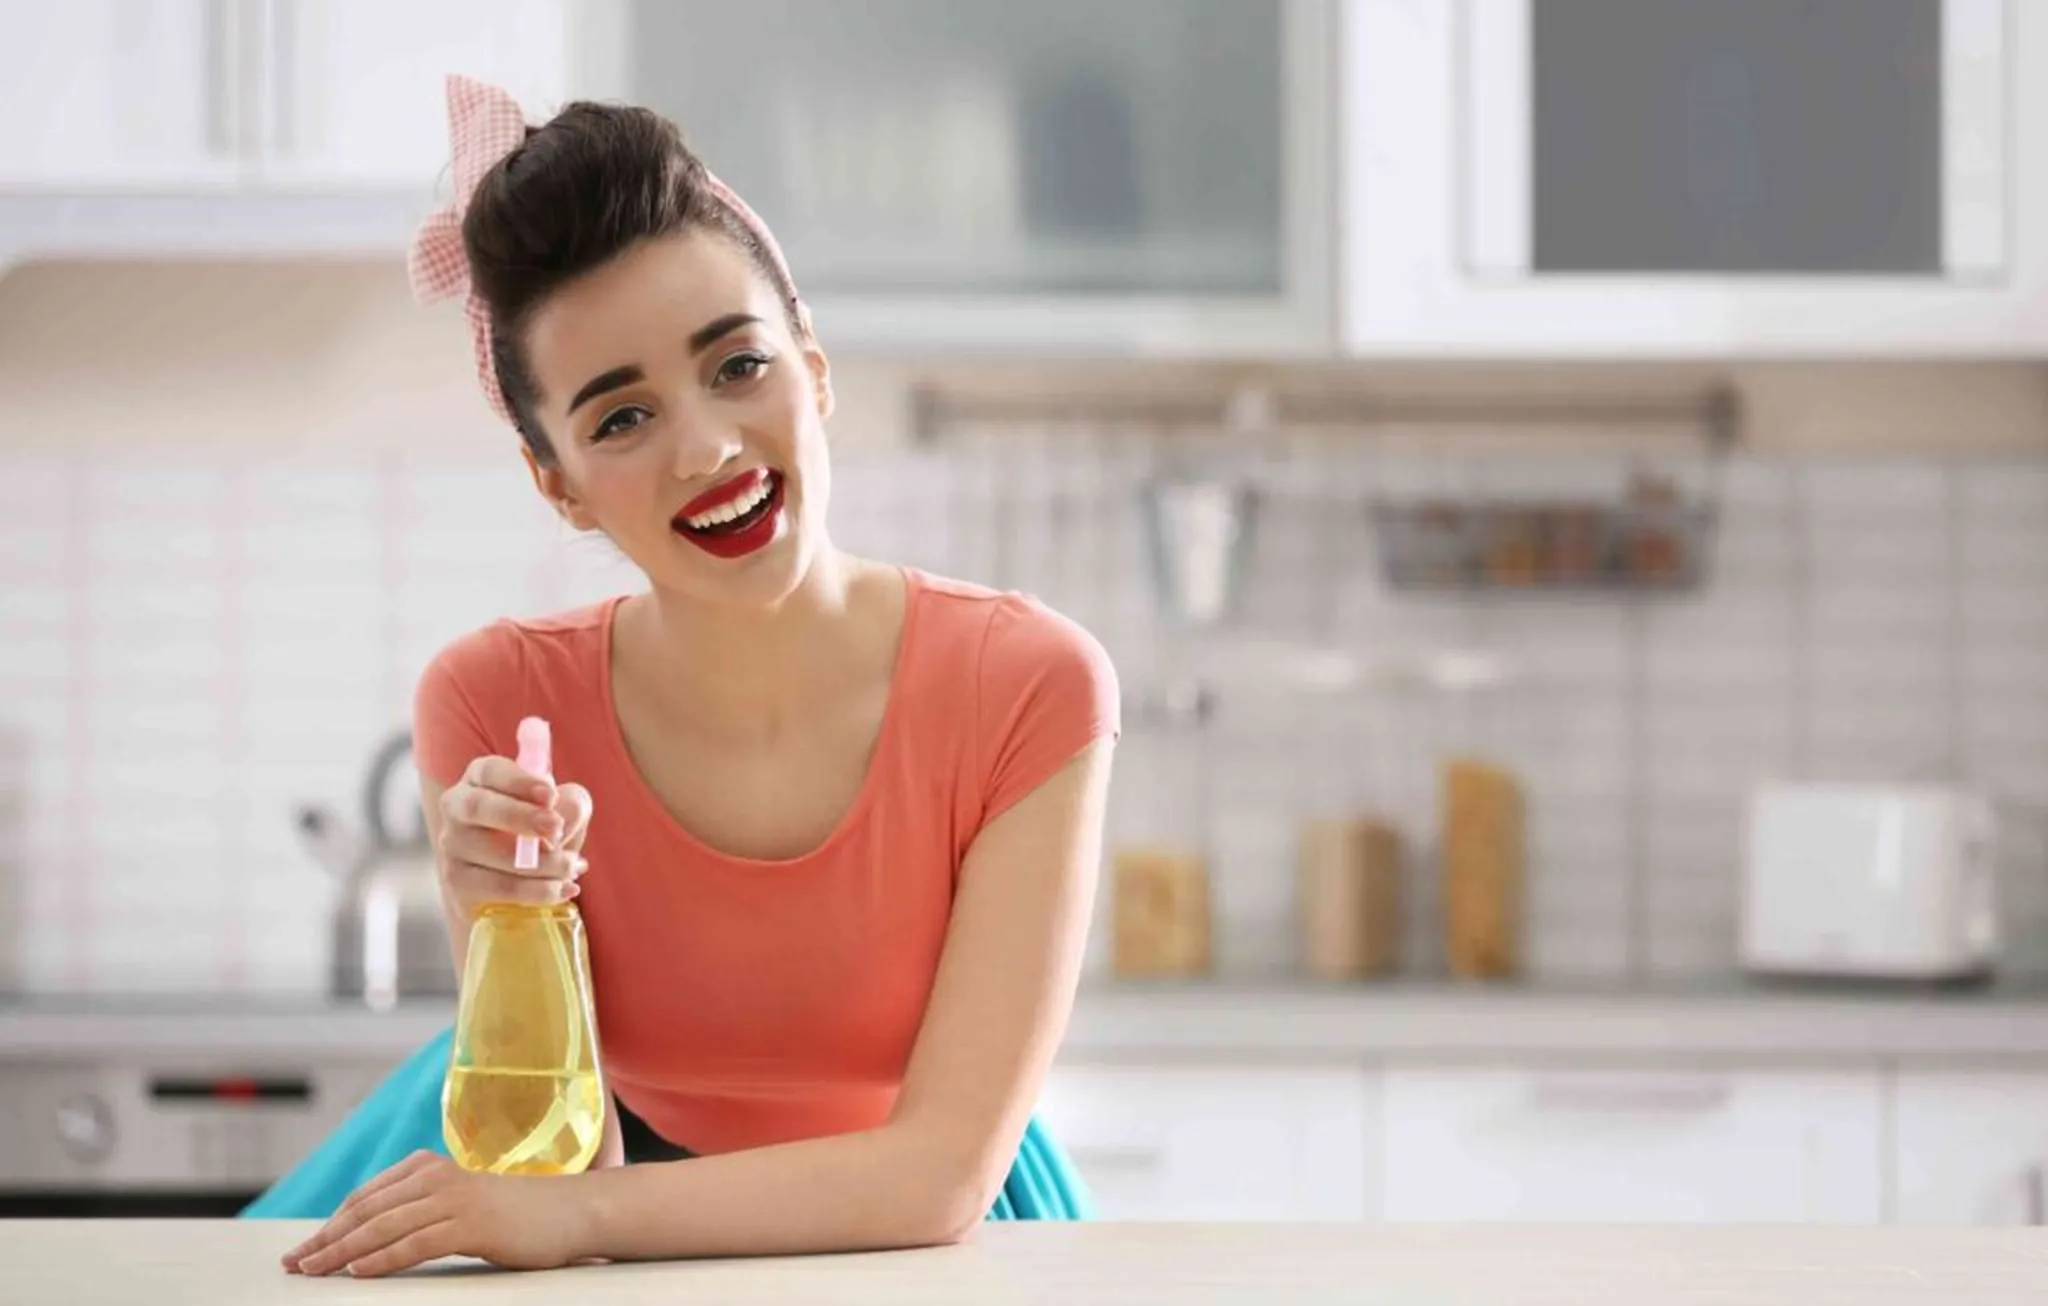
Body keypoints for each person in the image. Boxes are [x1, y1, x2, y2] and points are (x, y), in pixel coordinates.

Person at [257, 75, 1119, 1278]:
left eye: (736, 367)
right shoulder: (492, 700)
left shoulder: (1028, 684)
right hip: (586, 1220)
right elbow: (564, 1171)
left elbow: (936, 1176)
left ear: (811, 368)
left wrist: (576, 1220)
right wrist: (516, 928)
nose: (706, 449)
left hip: (924, 1239)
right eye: (620, 420)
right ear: (554, 481)